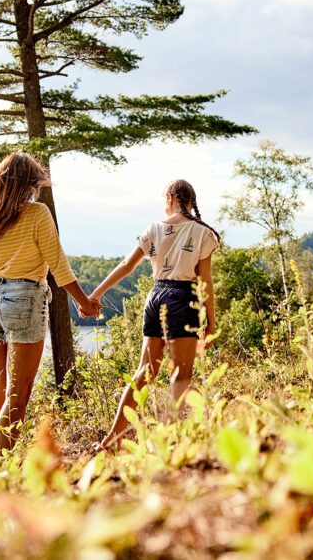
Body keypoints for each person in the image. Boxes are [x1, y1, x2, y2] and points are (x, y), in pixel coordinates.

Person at [0, 152, 101, 454]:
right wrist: (86, 303)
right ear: (30, 184)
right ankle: (3, 472)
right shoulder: (37, 213)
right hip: (24, 301)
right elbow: (59, 266)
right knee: (18, 394)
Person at [88, 179, 220, 451]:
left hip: (155, 295)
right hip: (183, 298)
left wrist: (96, 294)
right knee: (181, 376)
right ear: (191, 201)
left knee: (144, 372)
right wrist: (211, 321)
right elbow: (205, 280)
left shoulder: (153, 229)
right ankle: (165, 441)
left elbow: (127, 266)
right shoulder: (202, 233)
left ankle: (112, 439)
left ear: (171, 197)